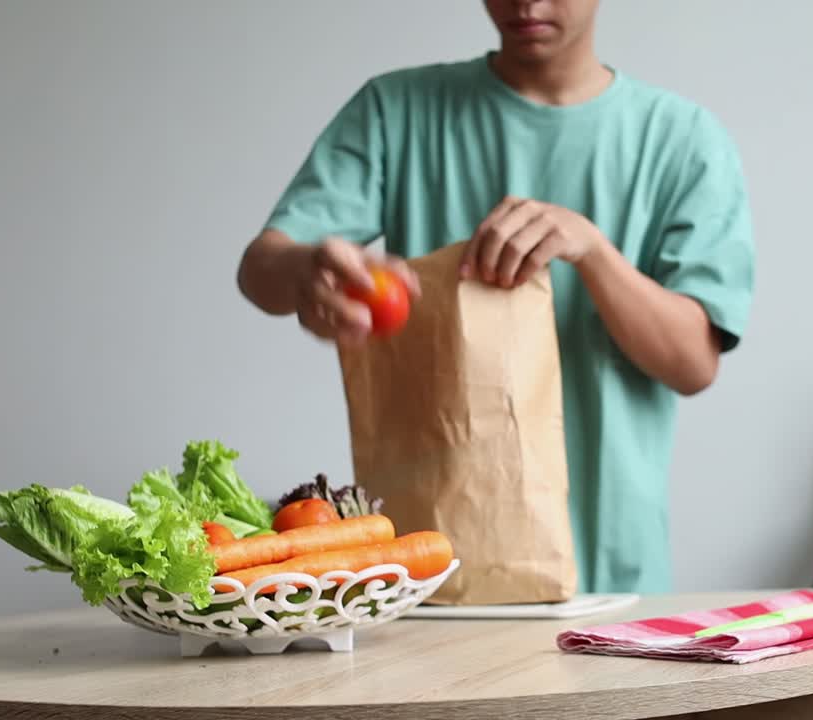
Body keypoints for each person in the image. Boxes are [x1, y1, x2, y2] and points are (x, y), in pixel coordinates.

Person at [237, 0, 755, 595]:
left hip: (613, 577)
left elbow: (694, 363)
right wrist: (308, 270)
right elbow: (260, 270)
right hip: (433, 568)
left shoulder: (685, 141)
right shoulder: (395, 111)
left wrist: (592, 250)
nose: (526, 4)